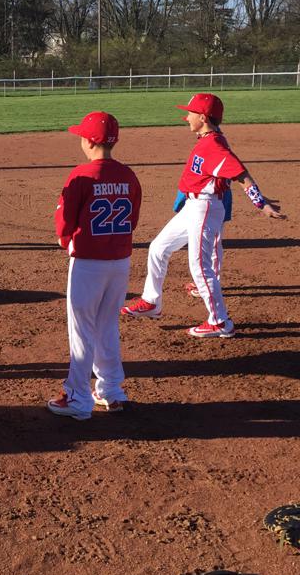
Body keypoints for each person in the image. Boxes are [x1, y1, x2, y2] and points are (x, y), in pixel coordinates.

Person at [122, 93, 284, 337]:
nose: (185, 117)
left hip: (206, 208)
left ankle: (220, 321)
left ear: (203, 117)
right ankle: (152, 302)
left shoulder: (215, 146)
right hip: (193, 206)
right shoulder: (209, 139)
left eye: (190, 113)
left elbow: (241, 175)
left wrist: (261, 204)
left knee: (199, 265)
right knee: (158, 248)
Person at [47, 112, 142, 421]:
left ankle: (77, 396)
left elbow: (64, 222)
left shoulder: (81, 175)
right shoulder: (128, 175)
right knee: (106, 325)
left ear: (88, 141)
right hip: (120, 261)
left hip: (89, 262)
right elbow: (133, 220)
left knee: (82, 328)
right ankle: (111, 391)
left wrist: (66, 240)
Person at [172, 183, 232, 299]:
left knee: (213, 243)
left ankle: (211, 284)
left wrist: (179, 204)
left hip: (213, 202)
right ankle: (208, 282)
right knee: (209, 244)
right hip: (206, 201)